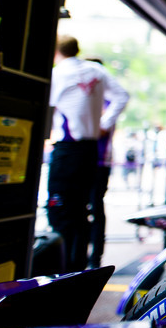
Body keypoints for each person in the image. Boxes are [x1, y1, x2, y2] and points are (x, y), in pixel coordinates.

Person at [48, 36, 129, 272]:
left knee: (60, 212)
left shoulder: (58, 74)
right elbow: (122, 96)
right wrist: (104, 123)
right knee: (83, 212)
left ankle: (59, 272)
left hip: (67, 149)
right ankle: (80, 269)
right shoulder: (95, 71)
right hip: (91, 151)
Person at [84, 57, 123, 269]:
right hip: (88, 161)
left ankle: (94, 259)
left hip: (99, 162)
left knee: (96, 209)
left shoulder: (107, 101)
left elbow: (104, 129)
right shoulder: (92, 99)